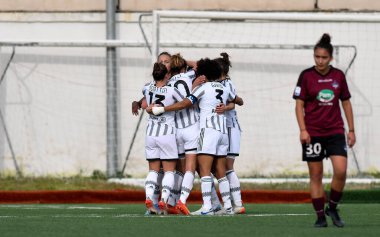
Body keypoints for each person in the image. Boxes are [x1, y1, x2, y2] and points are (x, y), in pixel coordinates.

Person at [148, 58, 238, 215]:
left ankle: (206, 206)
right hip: (222, 131)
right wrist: (226, 106)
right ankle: (229, 206)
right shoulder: (223, 88)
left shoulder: (200, 87)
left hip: (205, 130)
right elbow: (238, 101)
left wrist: (163, 109)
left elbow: (184, 104)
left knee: (202, 170)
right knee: (219, 170)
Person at [293, 33, 356, 227]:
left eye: (324, 57)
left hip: (335, 131)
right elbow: (298, 105)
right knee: (316, 175)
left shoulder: (338, 76)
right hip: (313, 133)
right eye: (317, 57)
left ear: (331, 58)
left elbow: (346, 103)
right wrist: (303, 130)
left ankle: (333, 207)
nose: (320, 61)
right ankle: (320, 216)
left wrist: (351, 130)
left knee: (341, 170)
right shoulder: (306, 76)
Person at [143, 62, 184, 215]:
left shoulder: (147, 88)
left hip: (151, 133)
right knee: (168, 172)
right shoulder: (172, 90)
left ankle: (149, 199)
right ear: (166, 75)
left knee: (153, 171)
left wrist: (147, 108)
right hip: (166, 133)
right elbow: (184, 102)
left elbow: (145, 104)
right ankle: (164, 201)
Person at [214, 52, 245, 214]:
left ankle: (237, 203)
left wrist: (226, 107)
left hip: (230, 128)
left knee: (227, 167)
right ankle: (231, 203)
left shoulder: (227, 84)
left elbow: (234, 103)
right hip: (223, 129)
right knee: (221, 167)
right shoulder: (220, 83)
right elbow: (237, 100)